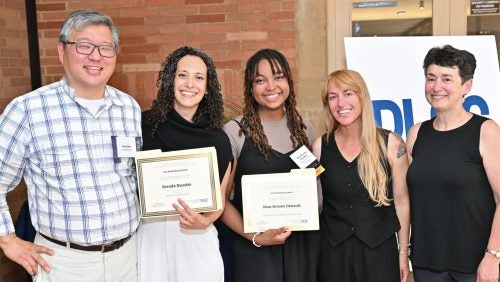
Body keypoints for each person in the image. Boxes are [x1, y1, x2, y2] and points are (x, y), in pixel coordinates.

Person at [0, 9, 142, 282]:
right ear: (62, 51)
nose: (96, 56)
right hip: (64, 264)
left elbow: (133, 179)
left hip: (127, 258)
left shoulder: (129, 108)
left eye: (105, 48)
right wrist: (8, 240)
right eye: (84, 46)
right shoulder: (27, 111)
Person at [222, 48, 320, 282]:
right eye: (260, 80)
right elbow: (221, 201)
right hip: (254, 250)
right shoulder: (235, 131)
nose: (271, 87)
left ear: (288, 80)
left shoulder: (304, 128)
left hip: (300, 248)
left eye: (278, 77)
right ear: (250, 87)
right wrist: (256, 236)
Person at [138, 46, 233, 282]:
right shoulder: (144, 126)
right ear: (171, 80)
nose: (190, 84)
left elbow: (219, 202)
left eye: (199, 77)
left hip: (196, 239)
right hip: (151, 238)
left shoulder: (218, 139)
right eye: (183, 75)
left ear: (207, 88)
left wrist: (205, 220)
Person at [406, 45, 500, 282]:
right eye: (431, 78)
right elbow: (407, 198)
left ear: (466, 86)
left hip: (474, 265)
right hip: (426, 263)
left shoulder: (485, 131)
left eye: (447, 79)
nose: (437, 87)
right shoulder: (417, 133)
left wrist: (493, 255)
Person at [312, 69, 410, 282]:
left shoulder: (392, 145)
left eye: (348, 93)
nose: (341, 103)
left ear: (362, 96)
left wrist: (403, 253)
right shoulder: (320, 146)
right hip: (333, 255)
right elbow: (315, 203)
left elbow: (401, 203)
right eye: (333, 96)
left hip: (379, 254)